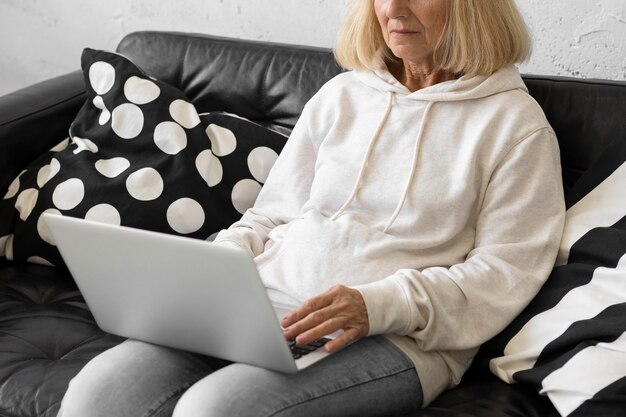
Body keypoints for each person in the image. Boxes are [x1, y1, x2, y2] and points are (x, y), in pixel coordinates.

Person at [57, 0, 566, 416]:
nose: (393, 9)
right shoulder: (342, 95)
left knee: (216, 409)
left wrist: (377, 306)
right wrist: (219, 267)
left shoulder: (515, 126)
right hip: (259, 305)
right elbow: (269, 215)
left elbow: (505, 273)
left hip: (399, 339)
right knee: (97, 394)